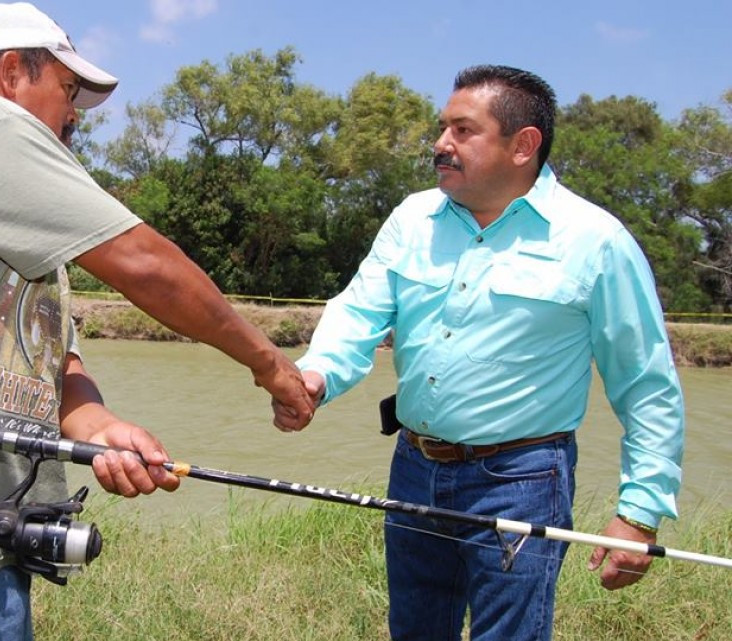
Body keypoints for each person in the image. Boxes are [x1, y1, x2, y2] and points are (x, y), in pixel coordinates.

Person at [0, 3, 312, 640]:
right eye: (67, 90)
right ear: (13, 73)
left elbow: (58, 371)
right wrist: (270, 365)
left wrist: (104, 430)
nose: (75, 116)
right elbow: (145, 263)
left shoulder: (15, 219)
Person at [273, 65, 684, 640]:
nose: (441, 143)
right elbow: (359, 311)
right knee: (415, 631)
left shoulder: (597, 242)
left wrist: (639, 513)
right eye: (442, 127)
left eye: (463, 130)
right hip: (414, 467)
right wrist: (316, 376)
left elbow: (646, 386)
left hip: (523, 479)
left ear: (524, 145)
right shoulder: (412, 219)